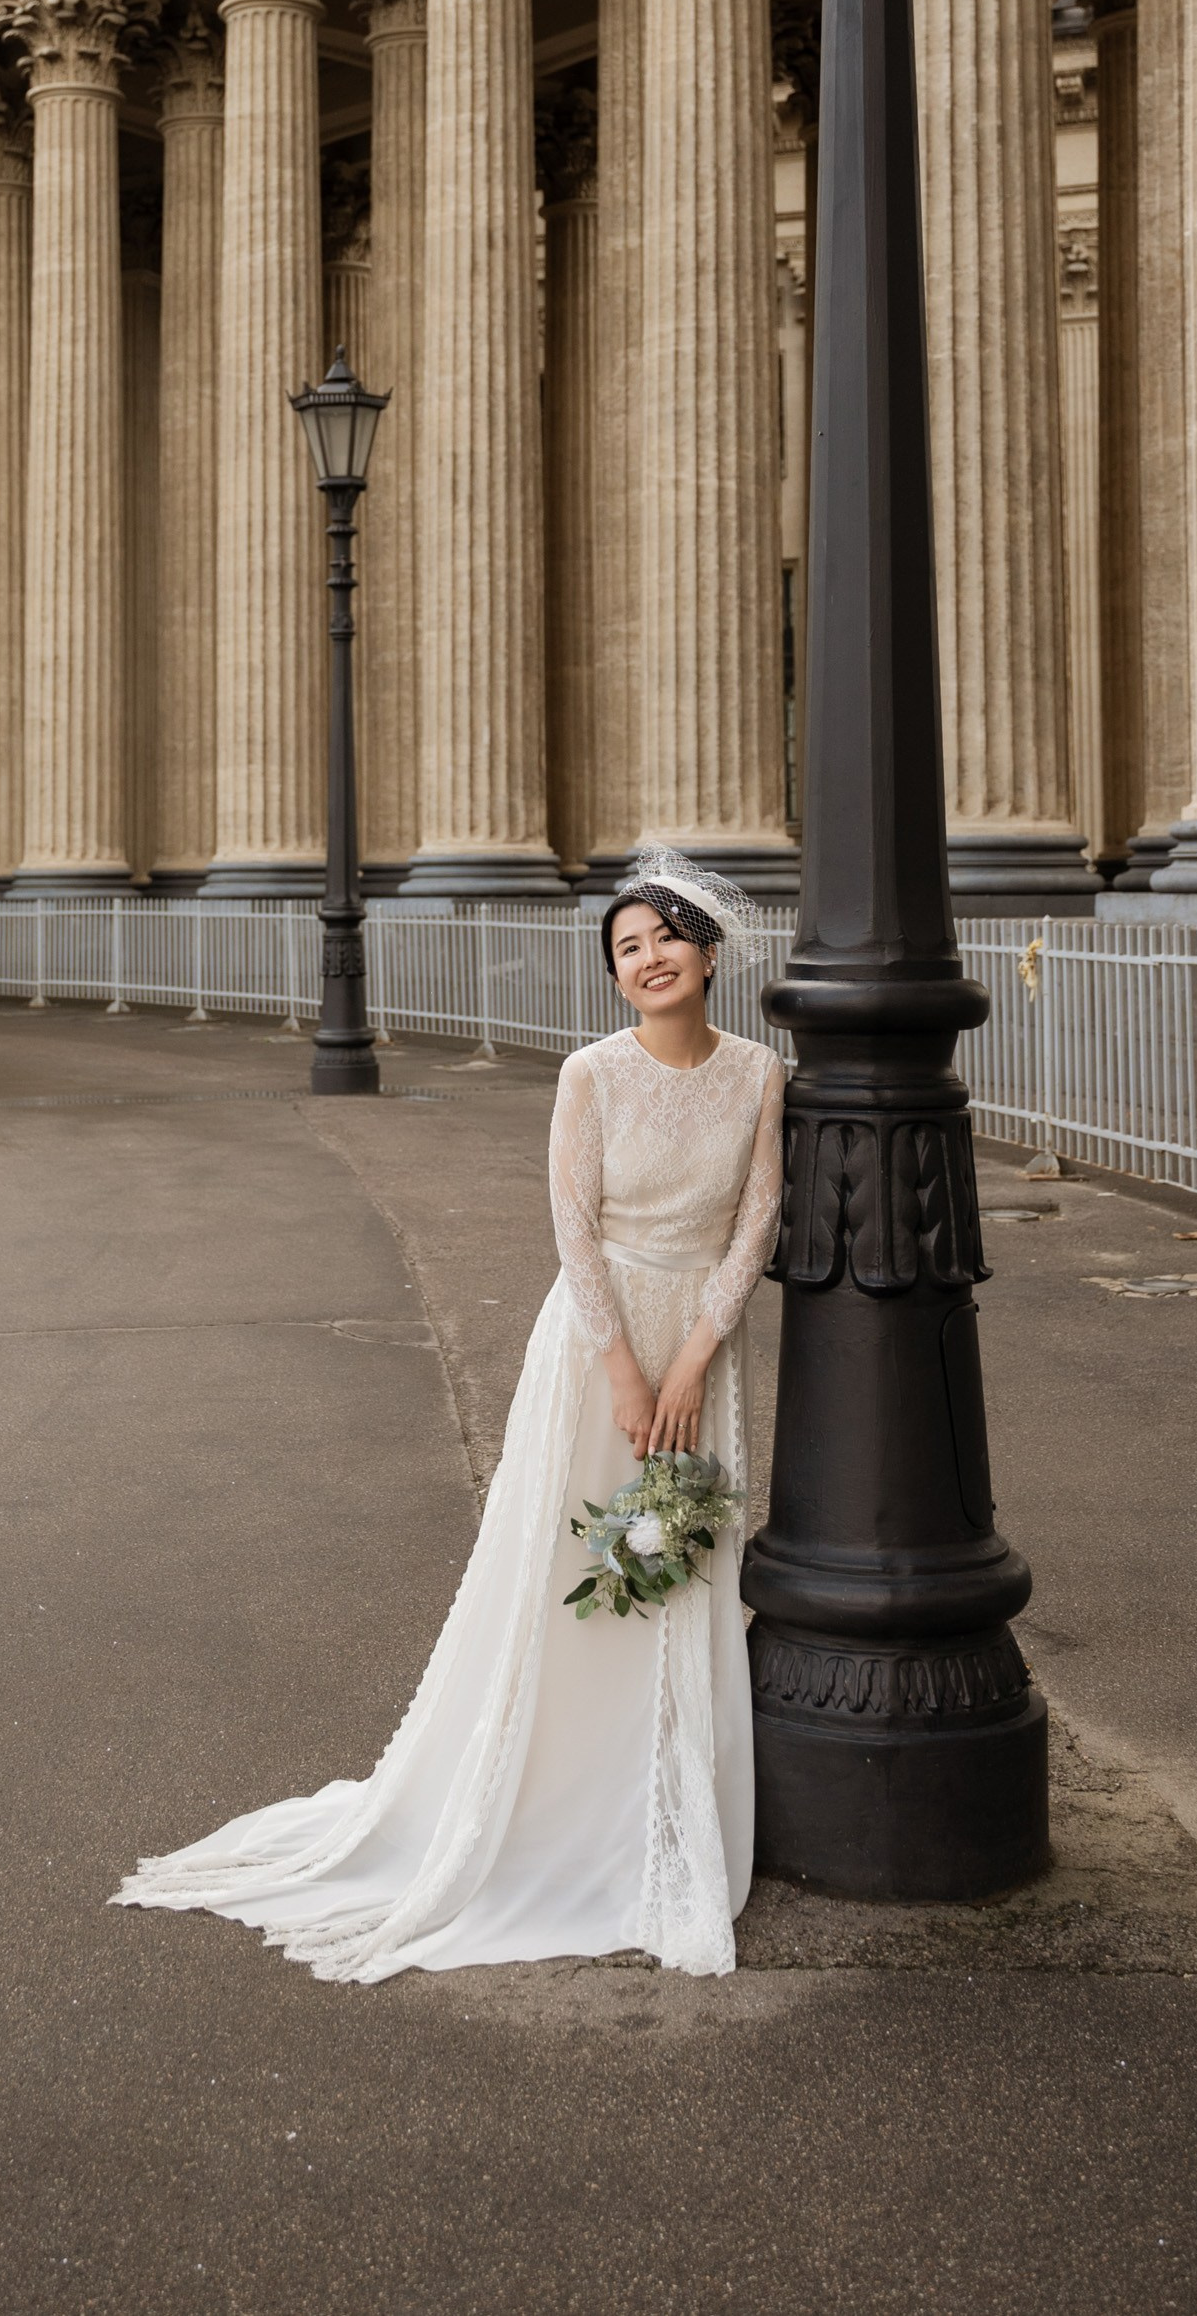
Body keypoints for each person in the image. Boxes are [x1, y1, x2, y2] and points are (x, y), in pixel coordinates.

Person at [112, 849, 786, 1981]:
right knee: (572, 1562)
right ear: (614, 977)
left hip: (703, 1349)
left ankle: (669, 1804)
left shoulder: (761, 1070)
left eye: (664, 936)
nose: (648, 957)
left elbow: (754, 1222)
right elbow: (573, 1229)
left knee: (684, 1555)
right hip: (597, 1337)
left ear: (705, 952)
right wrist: (624, 1367)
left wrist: (696, 1358)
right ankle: (552, 1799)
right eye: (626, 947)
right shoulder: (589, 1073)